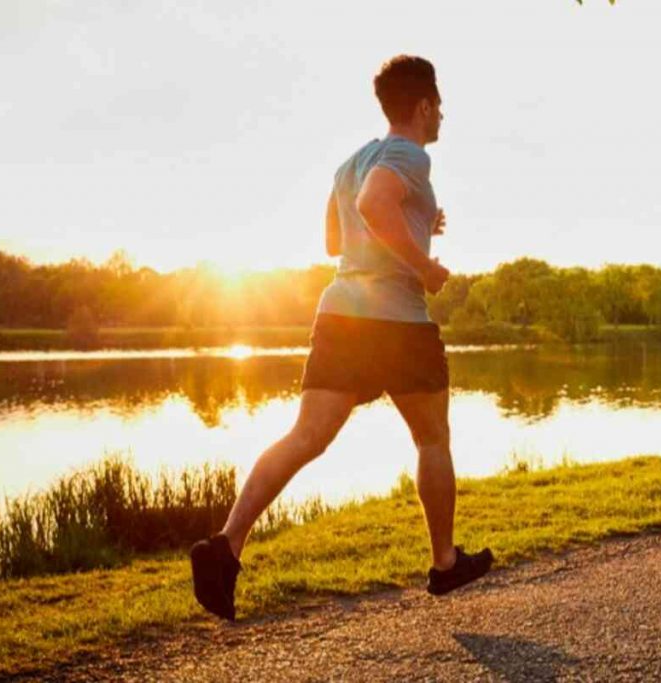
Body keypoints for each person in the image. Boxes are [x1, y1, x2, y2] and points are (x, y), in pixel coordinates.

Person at [189, 55, 493, 622]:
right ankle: (445, 562)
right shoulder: (410, 153)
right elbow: (374, 206)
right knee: (432, 438)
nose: (442, 115)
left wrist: (421, 220)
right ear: (423, 105)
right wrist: (424, 266)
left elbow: (338, 239)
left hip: (342, 315)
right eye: (439, 105)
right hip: (396, 319)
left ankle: (225, 545)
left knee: (306, 435)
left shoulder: (350, 162)